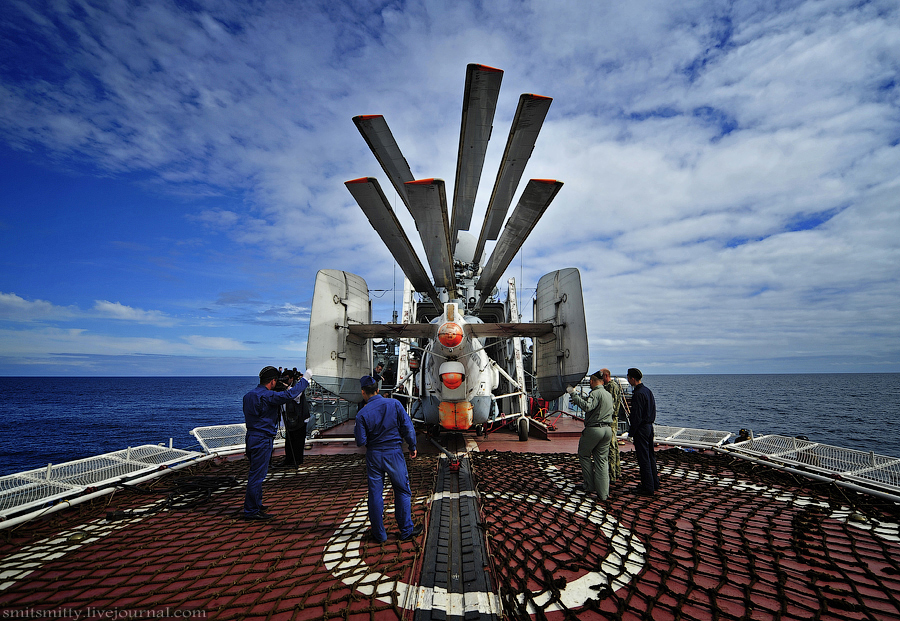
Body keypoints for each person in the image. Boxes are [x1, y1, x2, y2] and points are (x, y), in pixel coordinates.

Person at [354, 375, 423, 543]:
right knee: (402, 490)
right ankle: (406, 530)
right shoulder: (395, 404)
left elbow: (361, 441)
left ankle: (379, 535)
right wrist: (412, 446)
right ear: (378, 389)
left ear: (363, 392)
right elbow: (408, 427)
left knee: (375, 494)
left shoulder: (361, 414)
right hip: (394, 453)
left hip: (374, 455)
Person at [242, 365, 311, 520]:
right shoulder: (268, 396)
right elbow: (290, 394)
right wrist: (305, 379)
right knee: (257, 476)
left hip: (251, 437)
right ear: (273, 381)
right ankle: (251, 510)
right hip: (262, 439)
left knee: (256, 472)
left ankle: (256, 503)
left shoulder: (248, 396)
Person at [566, 370, 615, 500]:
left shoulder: (595, 393)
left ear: (592, 381)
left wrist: (573, 394)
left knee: (584, 454)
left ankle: (589, 485)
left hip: (594, 429)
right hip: (607, 430)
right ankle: (603, 494)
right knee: (602, 461)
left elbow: (588, 406)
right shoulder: (608, 394)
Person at [627, 367, 660, 495]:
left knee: (643, 458)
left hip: (641, 429)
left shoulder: (638, 394)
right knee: (650, 456)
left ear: (632, 379)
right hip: (649, 427)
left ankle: (648, 488)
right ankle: (654, 483)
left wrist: (631, 432)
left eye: (628, 378)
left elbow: (636, 416)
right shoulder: (647, 391)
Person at [280, 370, 310, 468]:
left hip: (300, 418)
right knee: (289, 440)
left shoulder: (297, 386)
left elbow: (296, 396)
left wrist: (287, 388)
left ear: (292, 378)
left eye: (287, 378)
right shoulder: (286, 388)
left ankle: (297, 460)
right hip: (290, 419)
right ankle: (288, 459)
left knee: (298, 441)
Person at [600, 369, 623, 483]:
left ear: (606, 376)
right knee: (614, 446)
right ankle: (617, 471)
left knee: (611, 447)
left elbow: (611, 405)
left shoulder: (611, 386)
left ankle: (611, 474)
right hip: (612, 419)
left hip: (611, 420)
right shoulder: (610, 386)